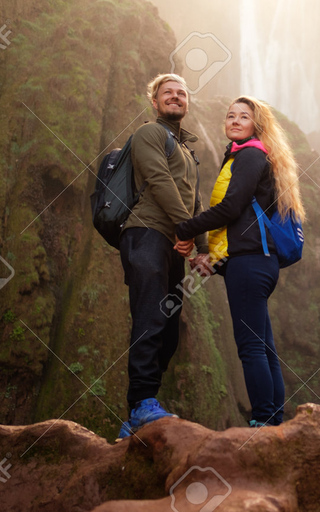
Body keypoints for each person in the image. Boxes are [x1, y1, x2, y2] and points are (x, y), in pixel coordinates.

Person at [175, 96, 306, 427]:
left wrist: (186, 228)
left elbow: (231, 209)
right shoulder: (252, 156)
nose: (234, 120)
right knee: (264, 347)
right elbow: (243, 224)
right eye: (231, 116)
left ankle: (262, 421)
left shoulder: (249, 155)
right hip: (255, 262)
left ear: (256, 125)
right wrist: (214, 261)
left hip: (250, 264)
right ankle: (273, 420)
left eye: (243, 117)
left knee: (251, 349)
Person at [116, 73, 207, 440]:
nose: (175, 97)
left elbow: (193, 201)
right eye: (167, 92)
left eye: (181, 93)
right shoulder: (149, 134)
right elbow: (158, 180)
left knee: (168, 332)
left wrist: (201, 248)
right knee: (151, 317)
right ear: (154, 102)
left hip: (173, 243)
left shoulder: (186, 150)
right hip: (146, 233)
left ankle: (138, 410)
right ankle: (140, 405)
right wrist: (184, 230)